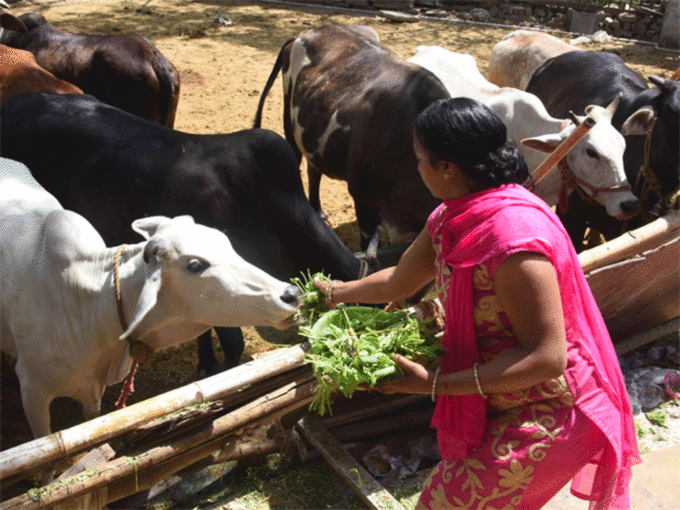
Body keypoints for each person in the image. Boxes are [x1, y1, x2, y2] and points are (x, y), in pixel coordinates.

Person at [314, 97, 640, 509]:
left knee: (441, 503)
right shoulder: (452, 217)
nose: (417, 168)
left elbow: (547, 358)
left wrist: (434, 385)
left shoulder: (513, 241)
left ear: (447, 166)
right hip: (502, 397)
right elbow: (400, 280)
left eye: (420, 159)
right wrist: (336, 294)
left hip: (553, 410)